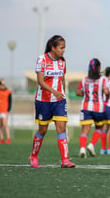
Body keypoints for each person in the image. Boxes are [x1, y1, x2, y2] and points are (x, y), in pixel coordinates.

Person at [28, 35, 75, 168]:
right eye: (61, 47)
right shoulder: (42, 59)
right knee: (42, 130)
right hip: (43, 101)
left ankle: (65, 160)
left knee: (61, 128)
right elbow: (40, 81)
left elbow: (62, 79)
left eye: (64, 47)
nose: (63, 50)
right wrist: (54, 92)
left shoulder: (62, 61)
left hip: (59, 101)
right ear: (52, 47)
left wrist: (63, 93)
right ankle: (34, 156)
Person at [76, 58, 109, 158]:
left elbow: (78, 92)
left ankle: (82, 148)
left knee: (84, 130)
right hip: (98, 108)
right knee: (99, 128)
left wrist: (85, 93)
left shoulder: (84, 79)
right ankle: (91, 145)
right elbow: (106, 92)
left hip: (85, 108)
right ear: (99, 68)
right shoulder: (103, 79)